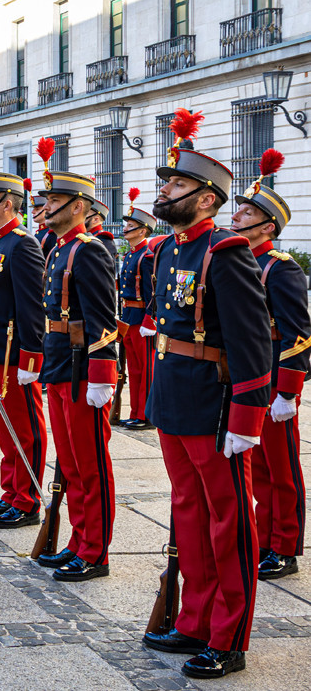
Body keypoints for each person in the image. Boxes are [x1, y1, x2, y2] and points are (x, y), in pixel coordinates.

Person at [140, 109, 271, 680]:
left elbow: (252, 340)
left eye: (175, 184)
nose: (163, 190)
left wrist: (248, 415)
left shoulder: (226, 252)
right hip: (174, 397)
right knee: (187, 514)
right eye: (167, 181)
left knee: (228, 520)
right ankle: (193, 619)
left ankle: (228, 634)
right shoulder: (169, 249)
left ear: (206, 199)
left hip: (216, 407)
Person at [34, 164, 118, 582]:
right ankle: (77, 540)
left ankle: (95, 550)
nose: (46, 208)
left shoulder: (89, 250)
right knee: (69, 462)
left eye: (53, 201)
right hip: (59, 362)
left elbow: (105, 319)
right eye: (47, 200)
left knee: (90, 464)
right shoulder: (58, 248)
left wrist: (103, 375)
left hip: (84, 368)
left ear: (78, 206)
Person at [230, 149, 308, 582]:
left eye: (247, 212)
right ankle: (261, 537)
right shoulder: (238, 261)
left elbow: (298, 333)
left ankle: (284, 544)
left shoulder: (280, 268)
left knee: (281, 469)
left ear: (268, 226)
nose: (237, 215)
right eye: (240, 209)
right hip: (243, 379)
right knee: (254, 466)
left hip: (274, 382)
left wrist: (288, 392)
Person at [0, 145, 47, 530]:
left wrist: (31, 360)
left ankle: (28, 499)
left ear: (8, 204)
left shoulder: (22, 243)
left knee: (24, 427)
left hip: (15, 355)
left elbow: (32, 307)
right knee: (5, 428)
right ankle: (11, 493)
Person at [117, 190, 157, 430]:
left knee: (147, 370)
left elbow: (153, 291)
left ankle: (147, 415)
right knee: (134, 369)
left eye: (130, 226)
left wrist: (150, 321)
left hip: (142, 319)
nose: (125, 230)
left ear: (143, 231)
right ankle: (135, 412)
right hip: (129, 317)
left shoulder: (147, 255)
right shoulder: (131, 254)